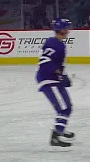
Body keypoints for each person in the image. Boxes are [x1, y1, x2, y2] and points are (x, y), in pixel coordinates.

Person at [36, 18, 74, 147]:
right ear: (61, 30)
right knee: (64, 109)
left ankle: (60, 130)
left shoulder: (57, 43)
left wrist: (63, 76)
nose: (68, 31)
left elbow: (55, 64)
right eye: (66, 28)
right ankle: (56, 136)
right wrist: (59, 74)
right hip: (48, 80)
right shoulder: (54, 43)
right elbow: (44, 62)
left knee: (67, 108)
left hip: (53, 79)